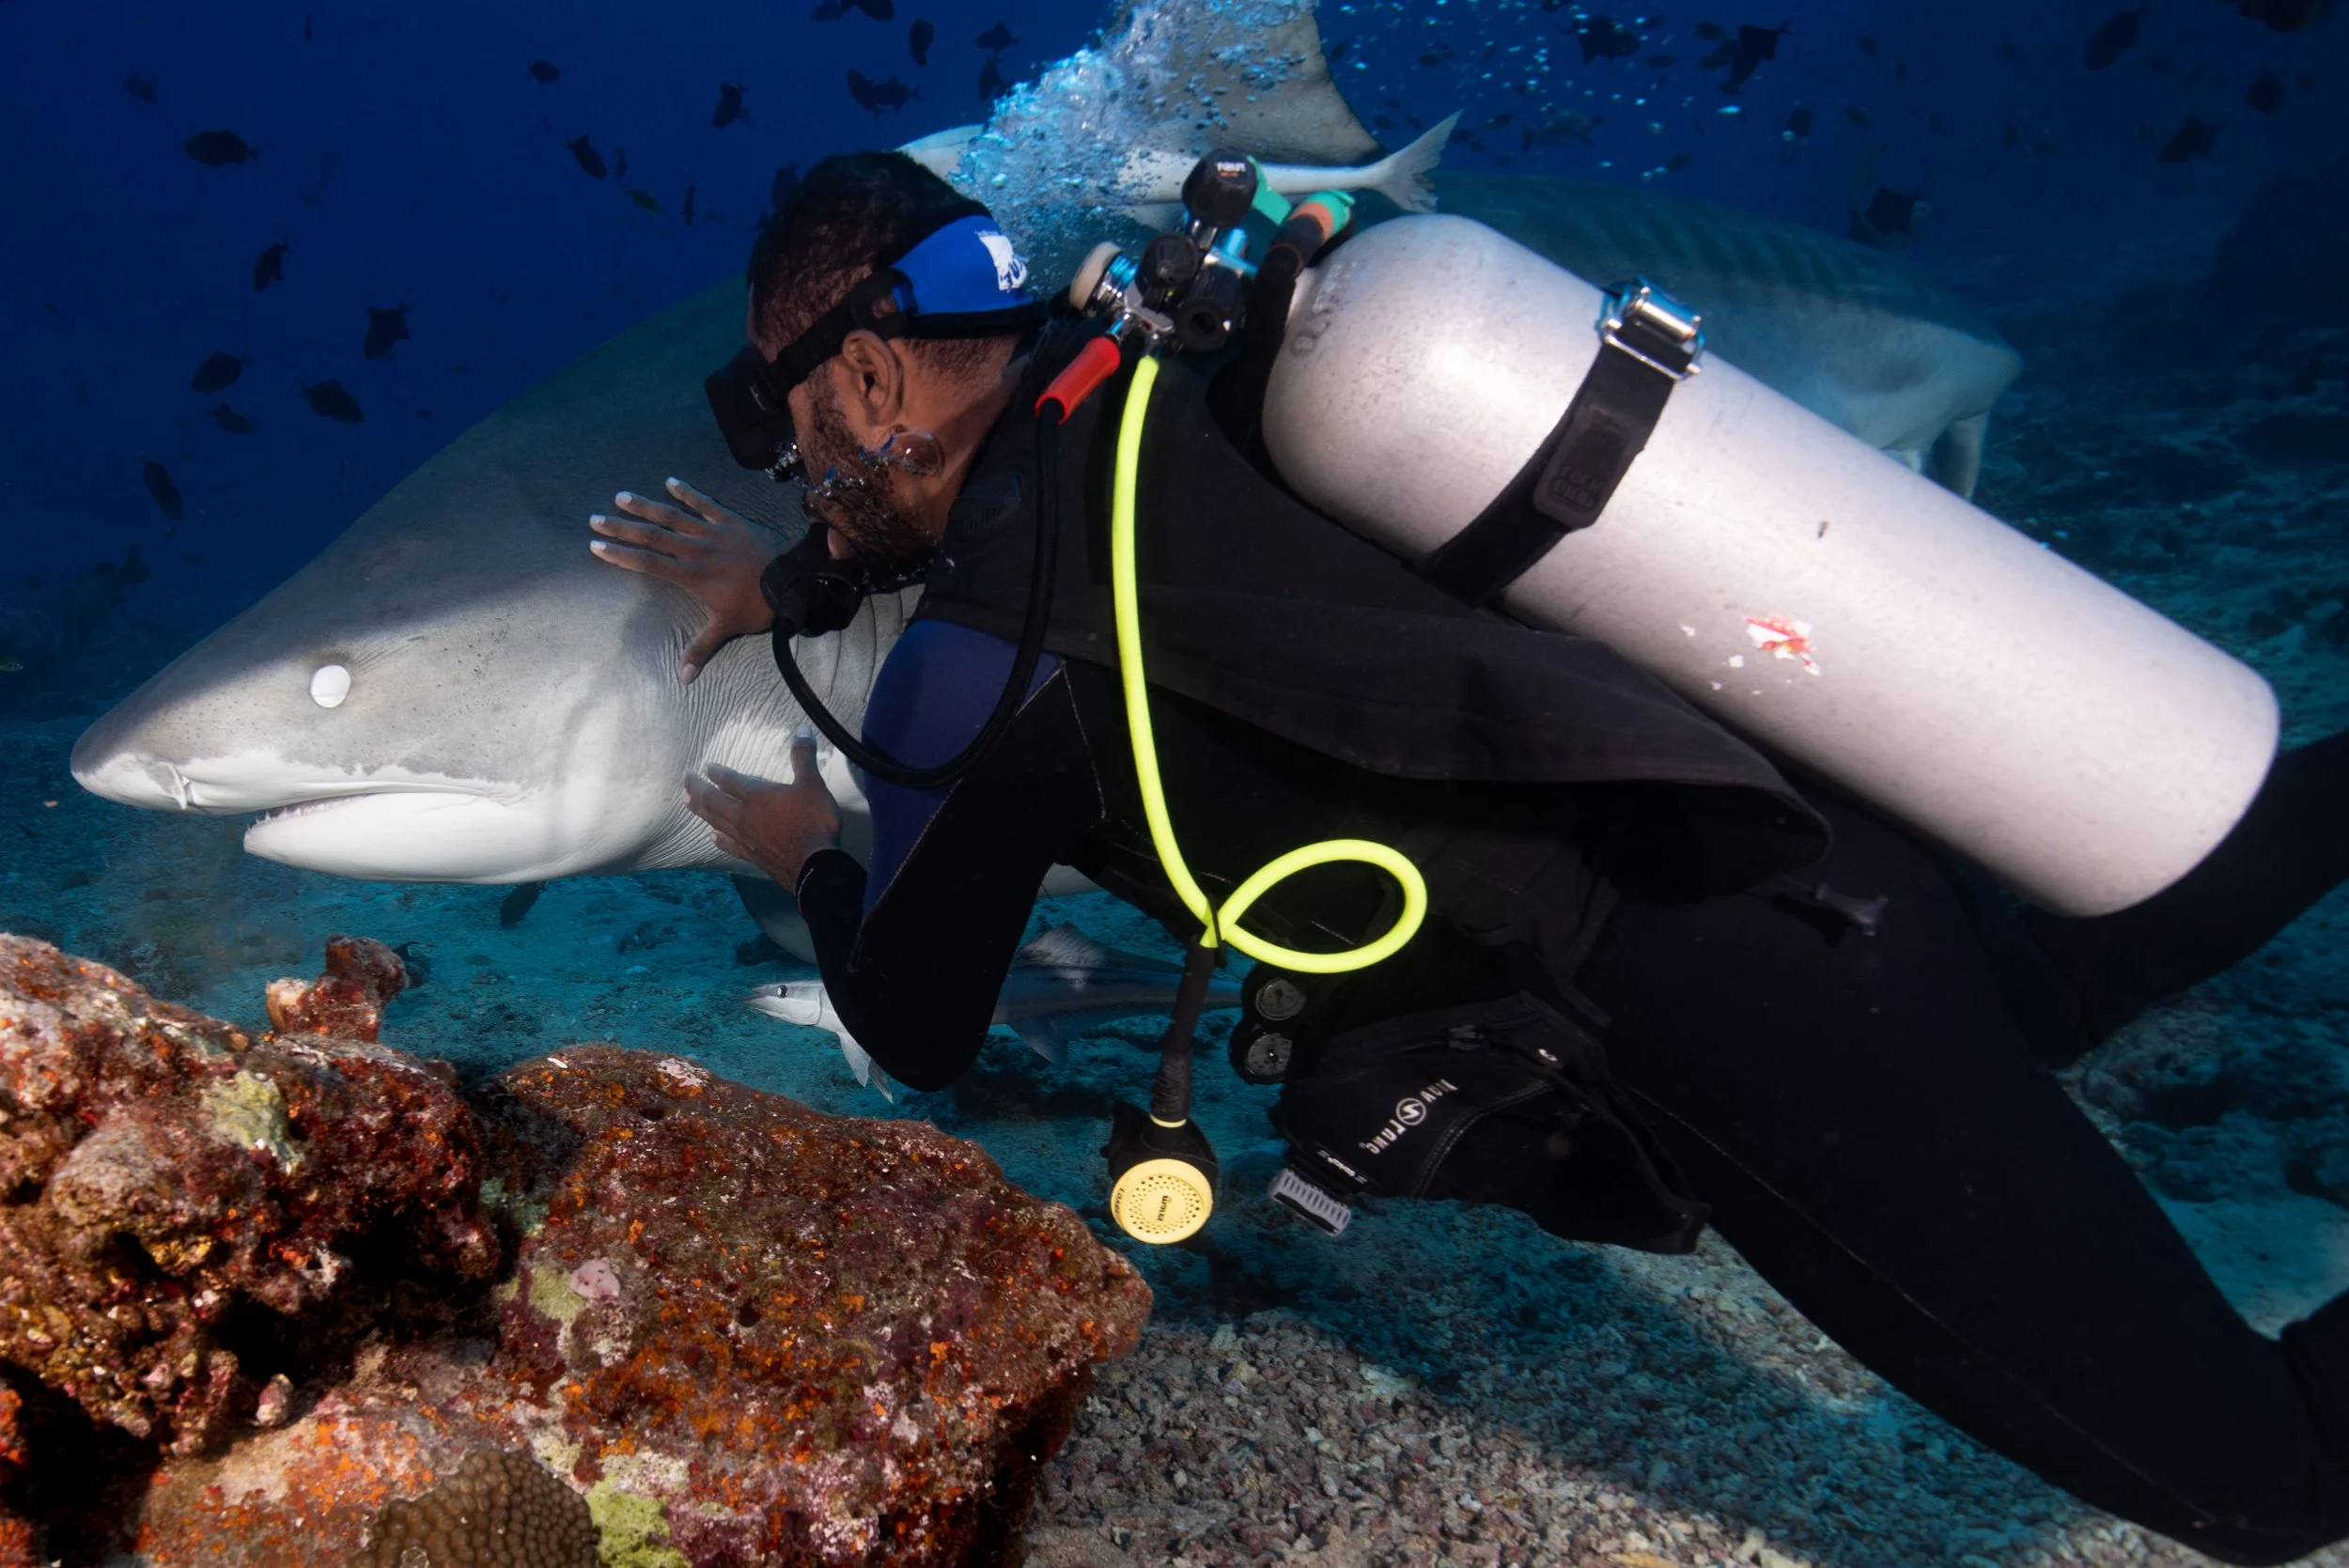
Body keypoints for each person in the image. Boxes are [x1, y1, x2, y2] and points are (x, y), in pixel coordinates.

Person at [586, 150, 2349, 1564]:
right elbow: (1036, 539)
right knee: (2046, 987)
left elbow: (919, 1023)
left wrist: (817, 850)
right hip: (1819, 823)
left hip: (1725, 1012)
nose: (795, 472)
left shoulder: (984, 659)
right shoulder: (1178, 375)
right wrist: (786, 583)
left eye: (786, 422)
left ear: (875, 367)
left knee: (2267, 1489)